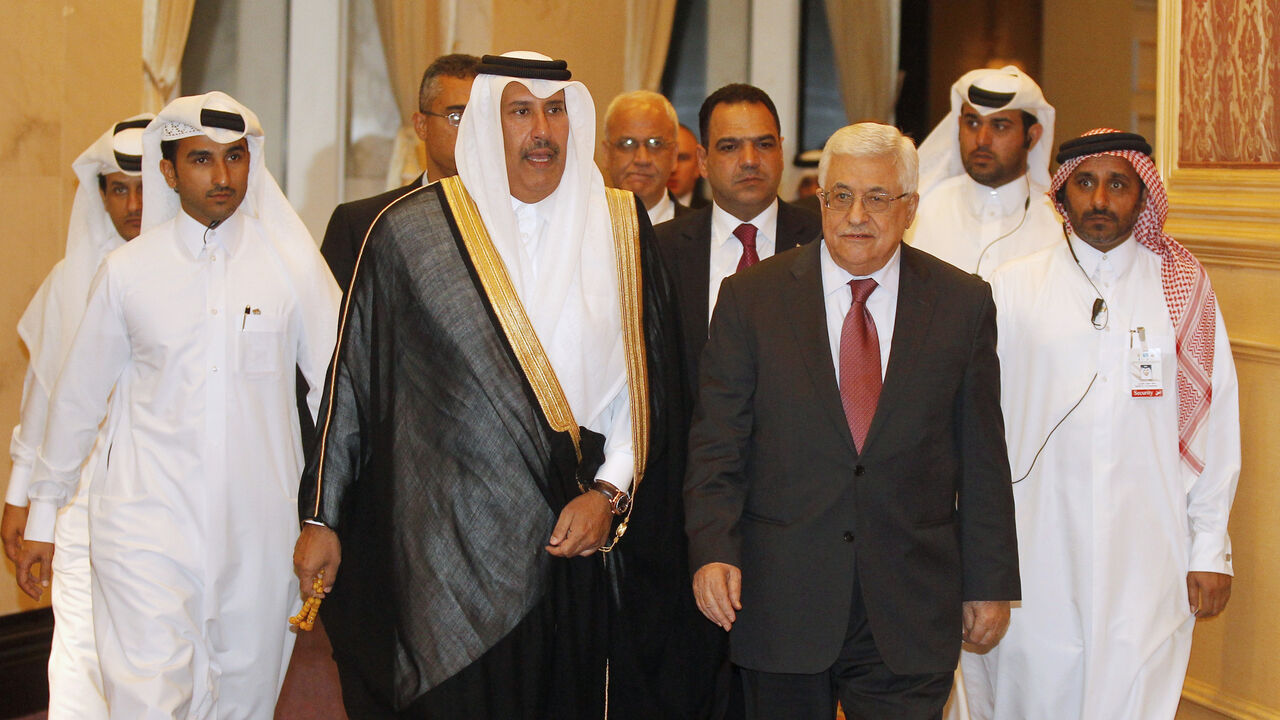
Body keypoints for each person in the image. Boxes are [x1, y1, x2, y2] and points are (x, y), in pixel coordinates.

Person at [291, 51, 687, 719]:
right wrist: (322, 516)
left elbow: (645, 385)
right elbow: (352, 383)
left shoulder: (619, 227)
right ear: (483, 125)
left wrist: (610, 494)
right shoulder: (411, 232)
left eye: (555, 111)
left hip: (573, 541)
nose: (542, 130)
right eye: (520, 112)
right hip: (444, 549)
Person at [15, 91, 340, 719]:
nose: (222, 176)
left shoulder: (292, 266)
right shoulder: (129, 271)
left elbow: (339, 389)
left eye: (235, 157)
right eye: (201, 160)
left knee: (242, 703)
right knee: (148, 699)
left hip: (259, 533)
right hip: (143, 527)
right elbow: (77, 402)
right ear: (168, 171)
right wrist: (42, 518)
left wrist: (327, 515)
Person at [684, 122, 1020, 719]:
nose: (855, 214)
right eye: (840, 196)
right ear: (820, 201)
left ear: (909, 207)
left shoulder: (961, 304)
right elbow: (717, 445)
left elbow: (983, 456)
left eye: (876, 197)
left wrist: (990, 582)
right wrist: (713, 549)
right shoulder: (751, 299)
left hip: (910, 604)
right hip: (782, 595)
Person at [961, 129, 1240, 719]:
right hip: (1034, 548)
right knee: (1027, 691)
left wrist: (1210, 548)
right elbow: (975, 427)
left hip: (1147, 551)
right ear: (1062, 195)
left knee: (1133, 693)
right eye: (1085, 183)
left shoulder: (1182, 289)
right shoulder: (1012, 285)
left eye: (1119, 184)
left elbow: (1214, 424)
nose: (1100, 200)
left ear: (1142, 196)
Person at [2, 114, 150, 720]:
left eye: (145, 186)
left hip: (166, 504)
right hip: (80, 499)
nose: (133, 204)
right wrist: (21, 496)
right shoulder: (72, 278)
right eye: (118, 188)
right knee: (78, 661)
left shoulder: (201, 280)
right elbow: (46, 398)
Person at [654, 83, 822, 389]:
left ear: (781, 152)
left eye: (764, 145)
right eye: (730, 146)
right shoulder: (660, 249)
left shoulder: (822, 242)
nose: (749, 160)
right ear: (703, 161)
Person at [321, 53, 479, 292]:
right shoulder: (364, 223)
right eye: (456, 117)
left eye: (480, 117)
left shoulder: (517, 217)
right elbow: (334, 321)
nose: (471, 130)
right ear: (421, 126)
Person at [908, 66, 1060, 278]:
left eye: (999, 126)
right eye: (972, 123)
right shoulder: (921, 209)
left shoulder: (1058, 222)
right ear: (959, 126)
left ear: (1032, 136)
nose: (981, 139)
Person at [600, 90, 687, 224]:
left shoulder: (705, 236)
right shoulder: (579, 229)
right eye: (627, 143)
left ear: (674, 155)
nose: (642, 160)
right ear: (606, 154)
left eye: (655, 144)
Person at [669, 123, 709, 209]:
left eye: (682, 158)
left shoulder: (714, 215)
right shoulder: (635, 215)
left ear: (699, 165)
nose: (674, 168)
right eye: (668, 158)